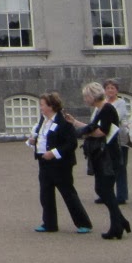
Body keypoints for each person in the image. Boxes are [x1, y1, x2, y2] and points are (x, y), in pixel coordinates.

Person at [29, 92, 92, 233]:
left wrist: (54, 153)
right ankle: (49, 223)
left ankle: (83, 223)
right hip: (43, 162)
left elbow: (71, 143)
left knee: (68, 193)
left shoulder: (63, 122)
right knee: (46, 194)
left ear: (51, 106)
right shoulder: (43, 120)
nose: (40, 107)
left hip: (60, 164)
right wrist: (33, 141)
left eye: (42, 105)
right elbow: (42, 137)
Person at [79, 82, 131, 239]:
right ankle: (120, 221)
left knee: (104, 190)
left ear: (92, 96)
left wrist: (86, 133)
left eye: (86, 97)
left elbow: (103, 131)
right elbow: (93, 128)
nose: (85, 100)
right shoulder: (101, 109)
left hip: (109, 154)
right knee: (102, 189)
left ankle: (117, 226)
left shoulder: (107, 108)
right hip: (103, 154)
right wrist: (79, 126)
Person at [103, 79, 132, 205]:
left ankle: (121, 195)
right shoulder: (103, 103)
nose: (110, 90)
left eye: (113, 88)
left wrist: (102, 122)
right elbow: (95, 117)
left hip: (119, 138)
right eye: (108, 88)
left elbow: (116, 117)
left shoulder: (120, 102)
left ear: (117, 90)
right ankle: (105, 194)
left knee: (120, 167)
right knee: (106, 167)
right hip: (105, 138)